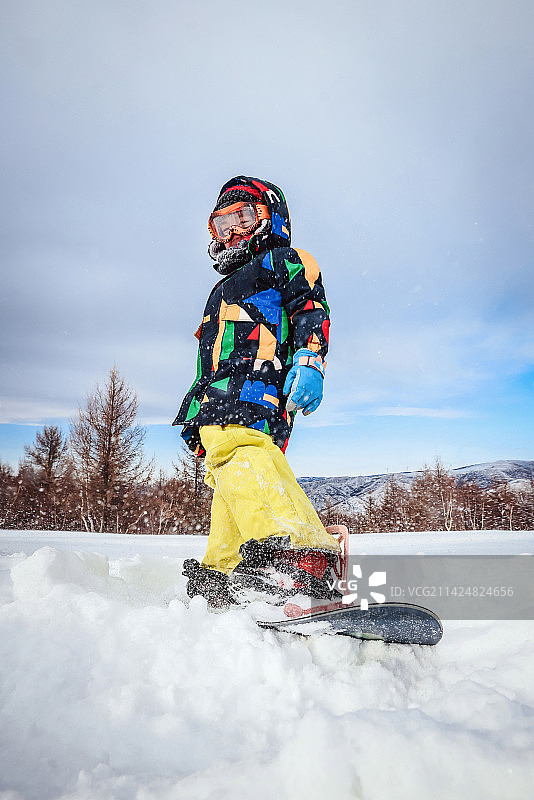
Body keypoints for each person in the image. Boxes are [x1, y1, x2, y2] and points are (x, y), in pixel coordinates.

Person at [173, 176, 341, 607]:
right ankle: (223, 574)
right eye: (221, 224)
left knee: (238, 453)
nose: (233, 232)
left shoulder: (285, 262)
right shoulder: (221, 288)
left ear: (272, 218)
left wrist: (310, 358)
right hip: (217, 397)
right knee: (232, 476)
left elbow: (310, 309)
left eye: (243, 217)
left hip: (256, 388)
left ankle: (299, 554)